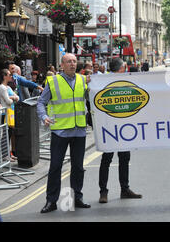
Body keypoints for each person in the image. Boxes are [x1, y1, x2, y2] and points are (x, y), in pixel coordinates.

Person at [37, 53, 91, 213]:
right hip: (60, 131)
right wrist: (44, 116)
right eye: (68, 62)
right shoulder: (53, 81)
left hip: (79, 130)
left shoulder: (83, 80)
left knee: (78, 167)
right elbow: (41, 102)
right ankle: (51, 201)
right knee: (55, 167)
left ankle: (78, 197)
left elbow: (90, 98)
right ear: (62, 65)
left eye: (74, 61)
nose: (72, 64)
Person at [98, 57, 142, 203]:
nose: (126, 68)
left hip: (124, 127)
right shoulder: (102, 81)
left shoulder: (127, 81)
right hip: (109, 127)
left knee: (124, 159)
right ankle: (103, 192)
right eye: (125, 66)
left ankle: (125, 189)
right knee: (107, 160)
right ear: (121, 68)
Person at [0, 69, 19, 161]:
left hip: (11, 113)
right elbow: (8, 101)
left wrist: (11, 97)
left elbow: (18, 98)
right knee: (6, 134)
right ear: (4, 76)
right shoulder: (2, 87)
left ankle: (9, 154)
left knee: (10, 133)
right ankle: (5, 155)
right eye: (9, 74)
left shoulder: (8, 88)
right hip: (5, 113)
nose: (11, 76)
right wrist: (12, 98)